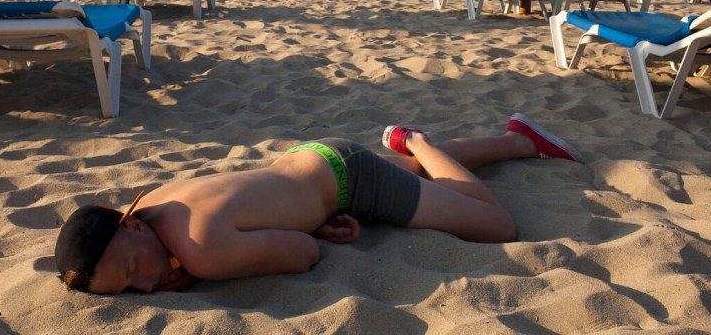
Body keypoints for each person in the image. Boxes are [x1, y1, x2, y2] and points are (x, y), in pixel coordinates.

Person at [55, 113, 584, 295]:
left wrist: (198, 276)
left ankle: (415, 138)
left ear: (132, 228)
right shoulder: (149, 201)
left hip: (349, 179)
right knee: (424, 181)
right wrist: (314, 222)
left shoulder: (199, 252)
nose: (145, 285)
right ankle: (519, 140)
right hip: (308, 160)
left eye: (130, 270)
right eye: (128, 289)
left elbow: (302, 255)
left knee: (495, 224)